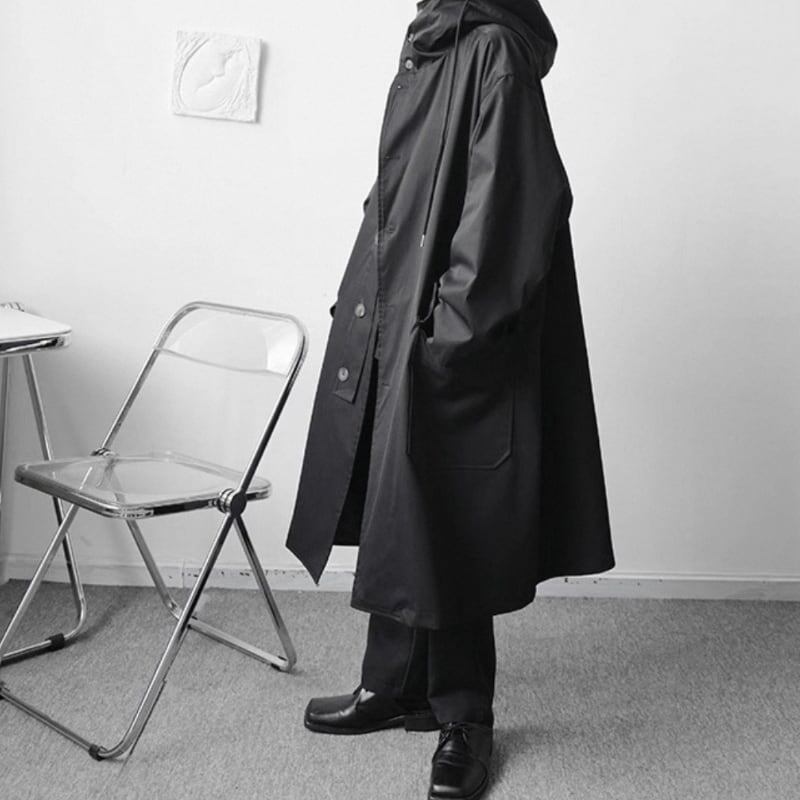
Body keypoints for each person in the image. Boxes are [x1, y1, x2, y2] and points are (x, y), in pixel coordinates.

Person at [285, 1, 616, 797]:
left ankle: (466, 718)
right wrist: (365, 301)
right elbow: (397, 193)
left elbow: (515, 209)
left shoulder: (492, 49)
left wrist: (450, 339)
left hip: (447, 337)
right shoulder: (432, 46)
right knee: (398, 505)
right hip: (395, 316)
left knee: (451, 510)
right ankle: (393, 685)